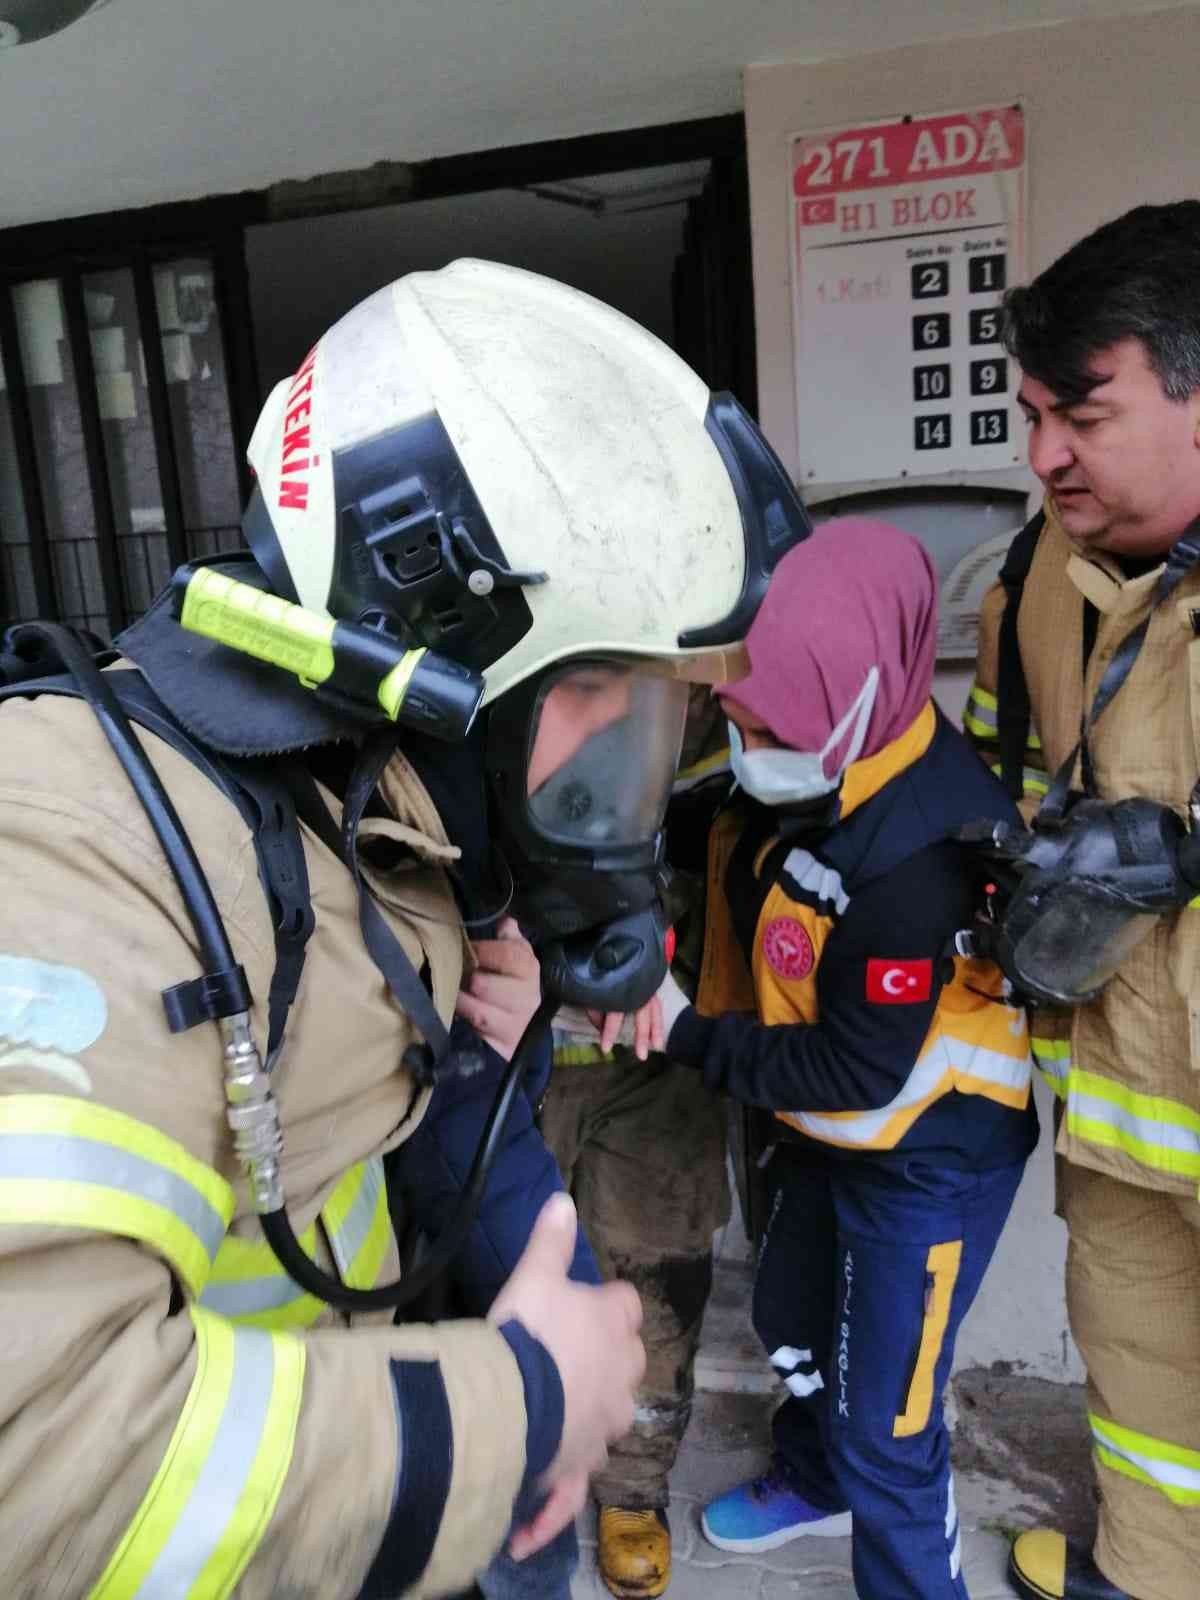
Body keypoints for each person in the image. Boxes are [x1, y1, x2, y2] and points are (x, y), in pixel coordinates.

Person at [0, 259, 812, 1598]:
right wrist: (524, 1407)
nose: (631, 756)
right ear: (435, 625)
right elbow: (37, 1468)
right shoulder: (77, 846)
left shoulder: (362, 825)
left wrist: (483, 1038)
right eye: (605, 686)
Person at [651, 518, 1039, 1600]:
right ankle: (819, 1475)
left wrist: (677, 1027)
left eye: (754, 715)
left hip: (925, 1163)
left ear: (847, 697)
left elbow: (852, 1072)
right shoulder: (823, 758)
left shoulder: (922, 861)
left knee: (892, 1429)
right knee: (795, 1320)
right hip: (829, 1141)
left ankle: (898, 1549)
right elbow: (722, 838)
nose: (736, 727)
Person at [962, 202, 1200, 1600]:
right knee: (1149, 1423)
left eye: (1084, 414)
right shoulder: (1032, 576)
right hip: (1118, 1133)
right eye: (1032, 412)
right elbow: (1006, 786)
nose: (1044, 452)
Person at [539, 688, 734, 1599]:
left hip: (660, 1054)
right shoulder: (498, 678)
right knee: (499, 1268)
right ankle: (521, 1467)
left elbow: (725, 850)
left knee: (654, 1274)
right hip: (515, 1048)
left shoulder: (693, 697)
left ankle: (632, 1488)